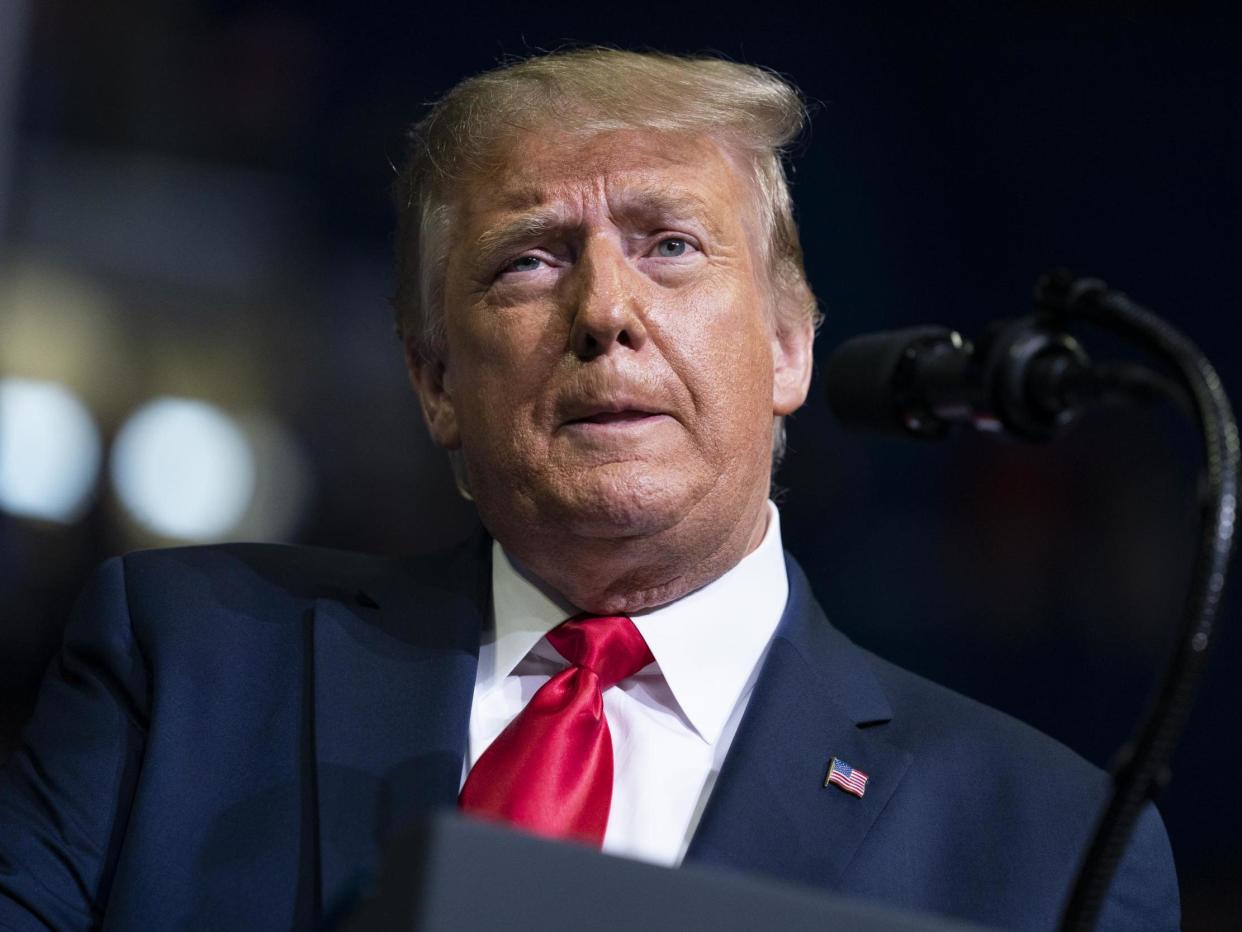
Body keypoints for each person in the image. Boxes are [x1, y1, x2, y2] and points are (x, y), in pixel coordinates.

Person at [0, 49, 1178, 930]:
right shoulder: (179, 666)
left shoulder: (1053, 842)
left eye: (671, 244)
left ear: (787, 346)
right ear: (434, 378)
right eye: (531, 259)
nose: (606, 312)